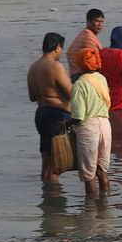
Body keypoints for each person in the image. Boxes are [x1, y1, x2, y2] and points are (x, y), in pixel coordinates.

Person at [27, 32, 73, 184]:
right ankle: (54, 202)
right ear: (57, 47)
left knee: (46, 160)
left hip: (41, 114)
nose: (61, 52)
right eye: (61, 49)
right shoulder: (55, 66)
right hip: (56, 116)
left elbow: (33, 97)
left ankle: (46, 196)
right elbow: (71, 93)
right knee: (56, 163)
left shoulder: (33, 68)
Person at [69, 50, 112, 197]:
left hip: (89, 128)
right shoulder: (102, 79)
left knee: (89, 175)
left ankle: (90, 213)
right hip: (105, 125)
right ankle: (105, 206)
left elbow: (78, 116)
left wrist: (65, 123)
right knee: (102, 170)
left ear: (80, 63)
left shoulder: (80, 84)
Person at [66, 9, 106, 77]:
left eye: (102, 22)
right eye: (97, 21)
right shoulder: (88, 37)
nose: (100, 25)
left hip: (76, 73)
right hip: (81, 74)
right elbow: (98, 59)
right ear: (88, 22)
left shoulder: (86, 34)